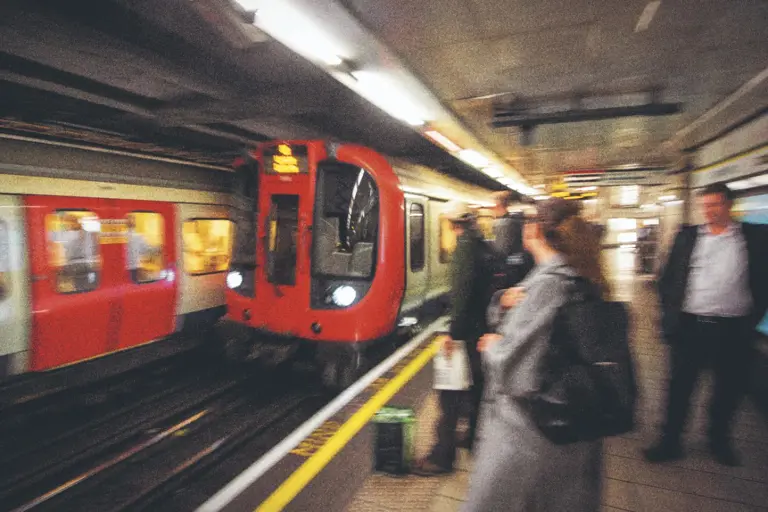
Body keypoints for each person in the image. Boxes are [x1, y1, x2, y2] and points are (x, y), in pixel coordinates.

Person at [464, 198, 607, 512]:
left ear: (534, 231)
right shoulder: (582, 277)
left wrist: (492, 347)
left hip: (532, 434)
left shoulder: (548, 285)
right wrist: (503, 303)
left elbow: (517, 369)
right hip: (574, 429)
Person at [644, 183, 768, 466]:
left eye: (716, 205)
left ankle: (718, 441)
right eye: (706, 205)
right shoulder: (687, 237)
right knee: (679, 388)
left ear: (729, 205)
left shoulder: (754, 238)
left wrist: (753, 317)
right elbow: (667, 278)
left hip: (733, 329)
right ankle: (670, 441)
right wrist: (668, 315)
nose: (709, 211)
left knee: (728, 388)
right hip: (690, 326)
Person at [412, 208, 493, 476]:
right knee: (474, 391)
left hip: (466, 333)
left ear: (451, 223)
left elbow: (462, 295)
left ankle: (442, 457)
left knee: (449, 396)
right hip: (480, 330)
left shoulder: (464, 249)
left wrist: (452, 335)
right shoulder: (482, 243)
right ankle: (472, 439)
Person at [488, 191, 533, 293]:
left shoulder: (501, 224)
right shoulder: (518, 221)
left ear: (498, 205)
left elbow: (499, 250)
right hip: (520, 267)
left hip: (506, 271)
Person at [126, 216, 156, 283]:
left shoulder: (121, 236)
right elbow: (146, 250)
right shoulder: (139, 236)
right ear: (135, 224)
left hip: (125, 269)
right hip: (136, 269)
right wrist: (157, 249)